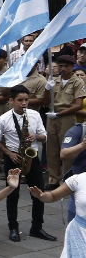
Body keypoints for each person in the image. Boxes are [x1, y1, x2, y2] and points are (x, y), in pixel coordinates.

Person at [0, 86, 53, 242]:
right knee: (12, 195)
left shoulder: (34, 115)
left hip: (32, 157)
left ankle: (37, 227)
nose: (24, 103)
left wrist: (36, 136)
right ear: (11, 101)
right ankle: (13, 227)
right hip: (14, 158)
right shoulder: (3, 119)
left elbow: (44, 136)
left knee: (39, 193)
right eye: (20, 100)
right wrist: (9, 153)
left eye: (26, 100)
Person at [46, 56, 86, 189]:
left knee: (67, 148)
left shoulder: (77, 82)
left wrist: (59, 114)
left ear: (72, 67)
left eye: (66, 66)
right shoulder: (54, 80)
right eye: (60, 66)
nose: (63, 69)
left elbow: (78, 105)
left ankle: (67, 179)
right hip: (52, 116)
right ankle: (53, 179)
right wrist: (47, 88)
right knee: (51, 149)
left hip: (67, 116)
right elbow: (46, 102)